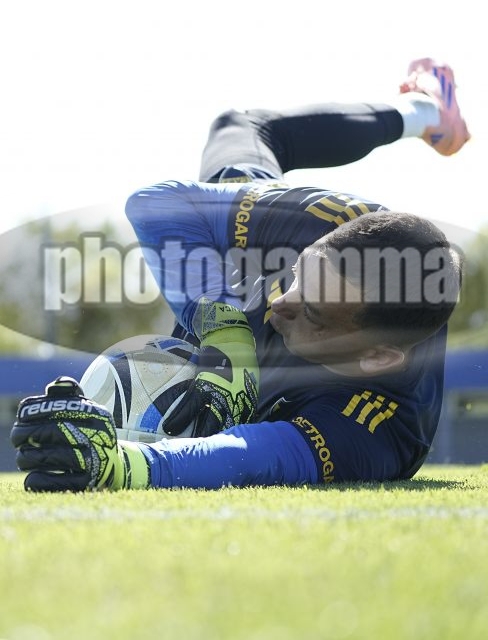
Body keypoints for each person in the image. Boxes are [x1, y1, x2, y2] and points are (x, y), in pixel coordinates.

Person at [11, 58, 470, 492]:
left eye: (312, 312)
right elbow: (155, 202)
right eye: (296, 274)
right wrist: (227, 335)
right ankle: (426, 110)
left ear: (376, 357)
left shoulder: (380, 431)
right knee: (241, 126)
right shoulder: (319, 223)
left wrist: (123, 465)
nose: (281, 303)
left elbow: (254, 454)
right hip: (265, 255)